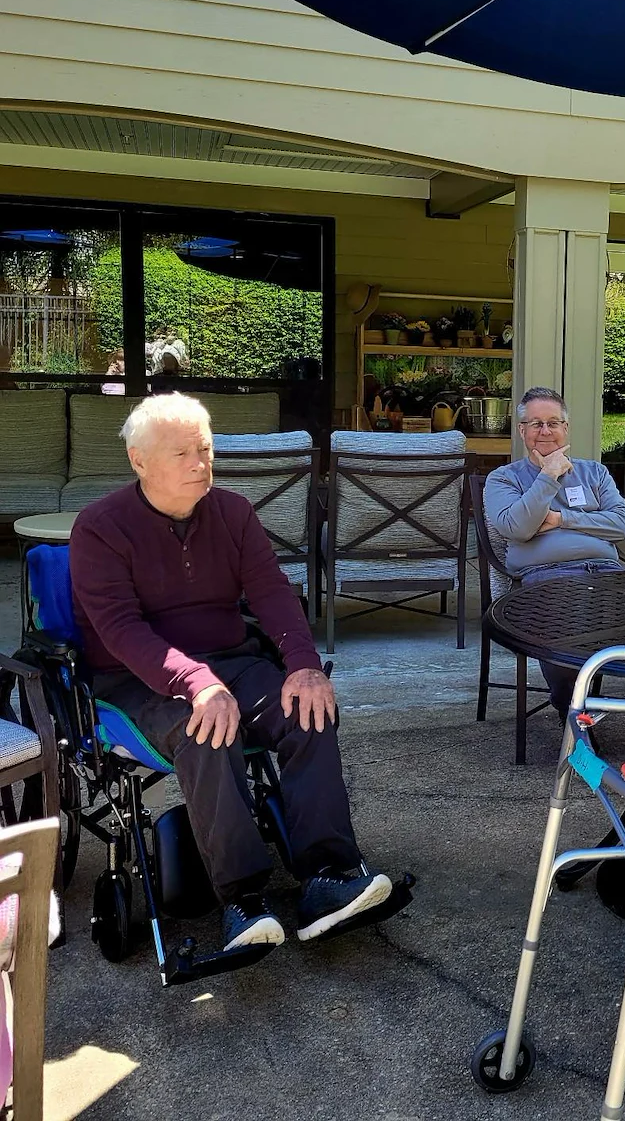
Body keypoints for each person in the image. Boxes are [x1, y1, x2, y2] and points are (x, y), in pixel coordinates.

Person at [69, 393, 397, 952]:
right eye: (182, 453)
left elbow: (270, 592)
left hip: (234, 659)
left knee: (309, 711)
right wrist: (197, 684)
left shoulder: (234, 512)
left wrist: (303, 665)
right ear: (139, 460)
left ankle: (329, 877)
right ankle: (242, 899)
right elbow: (121, 630)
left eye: (206, 449)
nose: (201, 463)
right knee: (207, 732)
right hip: (137, 677)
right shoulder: (100, 528)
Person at [484, 386, 625, 719]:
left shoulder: (594, 472)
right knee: (564, 637)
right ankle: (576, 721)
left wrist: (560, 518)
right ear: (522, 431)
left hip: (607, 572)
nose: (545, 431)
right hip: (549, 576)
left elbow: (621, 525)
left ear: (566, 428)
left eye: (553, 422)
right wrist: (549, 474)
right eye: (535, 424)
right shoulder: (504, 478)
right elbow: (518, 527)